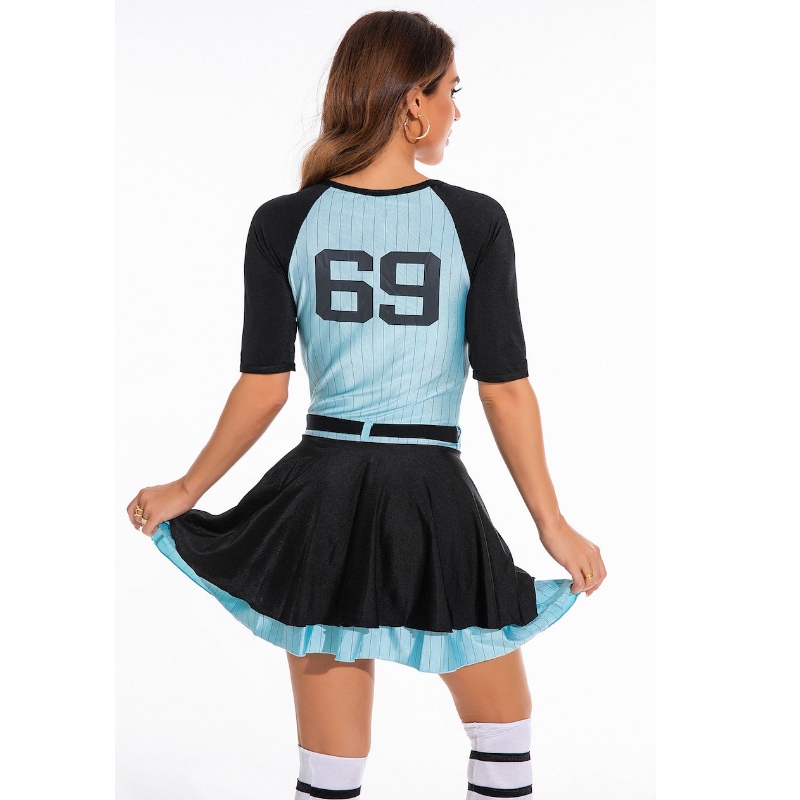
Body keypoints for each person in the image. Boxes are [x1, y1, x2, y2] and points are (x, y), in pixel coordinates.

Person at [127, 10, 606, 798]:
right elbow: (504, 387)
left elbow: (264, 387)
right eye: (452, 92)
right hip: (429, 490)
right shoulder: (474, 221)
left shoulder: (283, 222)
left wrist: (186, 489)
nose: (456, 111)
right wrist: (550, 522)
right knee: (505, 734)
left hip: (320, 496)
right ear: (414, 102)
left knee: (330, 767)